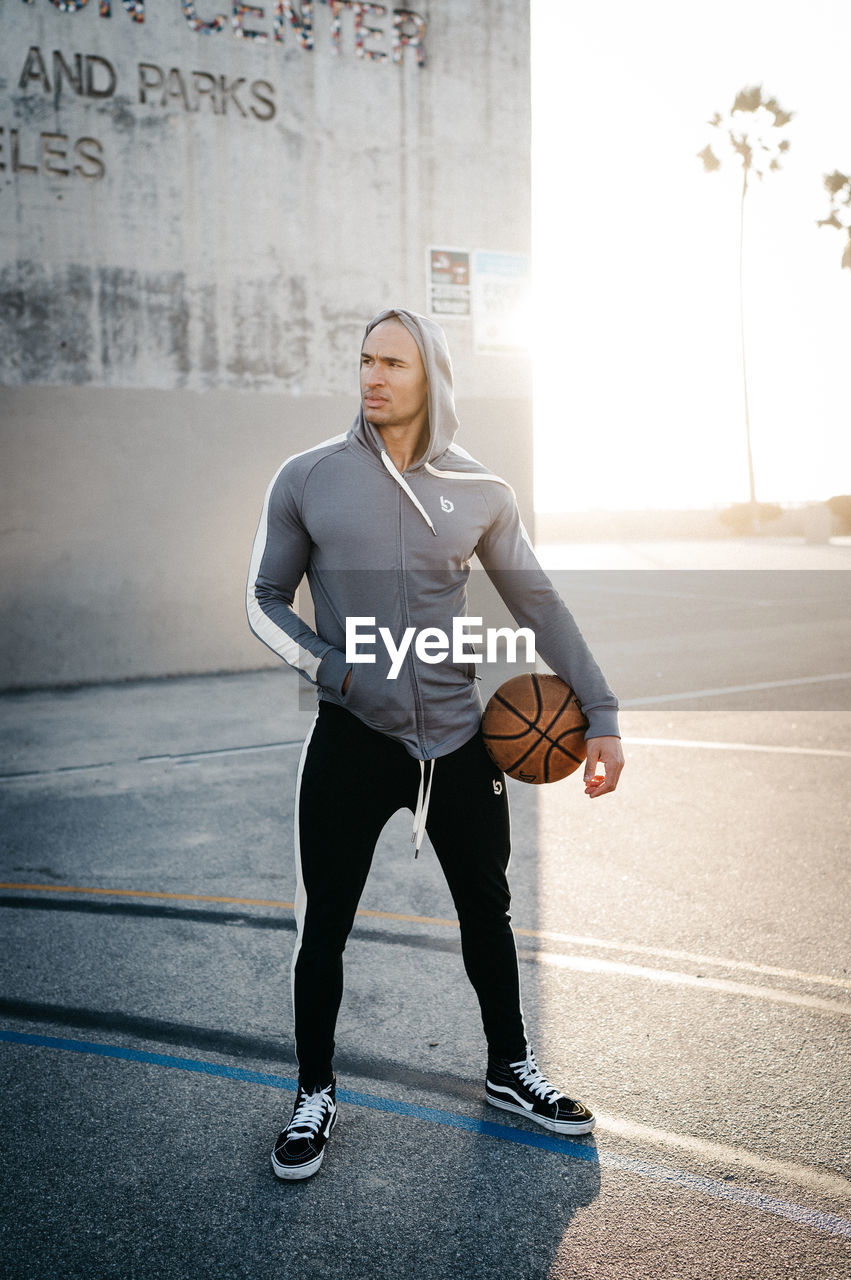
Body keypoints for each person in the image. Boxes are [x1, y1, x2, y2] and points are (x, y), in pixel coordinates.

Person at [247, 307, 624, 1181]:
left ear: (433, 379)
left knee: (486, 913)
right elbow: (262, 600)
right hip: (351, 738)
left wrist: (600, 713)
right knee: (325, 927)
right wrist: (335, 673)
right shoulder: (309, 477)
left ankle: (509, 1070)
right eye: (365, 361)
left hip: (458, 742)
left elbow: (540, 608)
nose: (372, 376)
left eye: (393, 364)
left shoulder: (482, 493)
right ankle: (314, 1091)